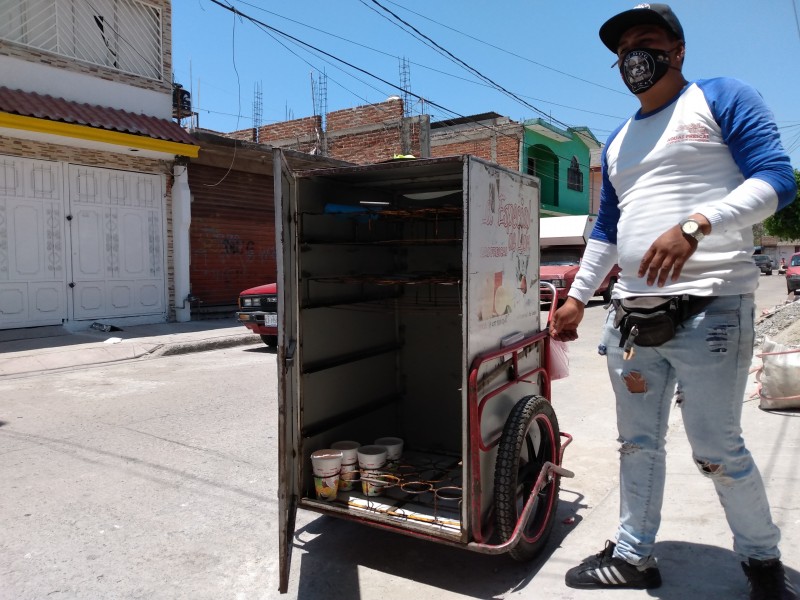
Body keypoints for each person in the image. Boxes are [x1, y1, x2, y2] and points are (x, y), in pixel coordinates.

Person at [549, 4, 798, 598]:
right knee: (637, 444)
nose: (634, 54)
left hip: (710, 308)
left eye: (648, 40)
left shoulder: (720, 98)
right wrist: (579, 298)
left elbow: (778, 178)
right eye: (624, 47)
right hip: (630, 319)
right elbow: (606, 229)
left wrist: (696, 224)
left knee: (716, 449)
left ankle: (762, 563)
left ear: (678, 50)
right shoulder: (616, 141)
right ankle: (634, 554)